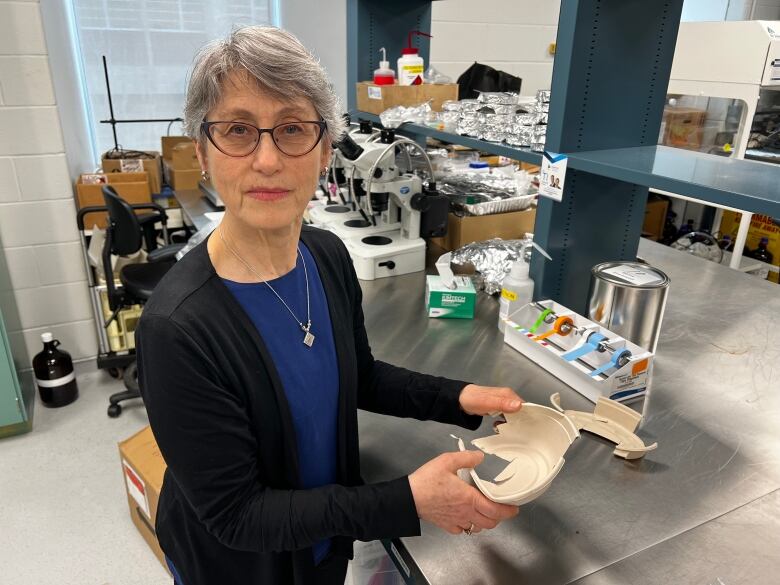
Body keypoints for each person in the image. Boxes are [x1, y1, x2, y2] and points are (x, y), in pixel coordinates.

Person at [136, 25, 524, 585]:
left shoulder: (325, 255)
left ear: (324, 151)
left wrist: (461, 398)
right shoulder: (178, 328)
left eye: (292, 128)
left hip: (319, 550)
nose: (267, 159)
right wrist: (406, 500)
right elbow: (236, 514)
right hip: (242, 569)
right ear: (202, 151)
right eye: (239, 130)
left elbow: (357, 376)